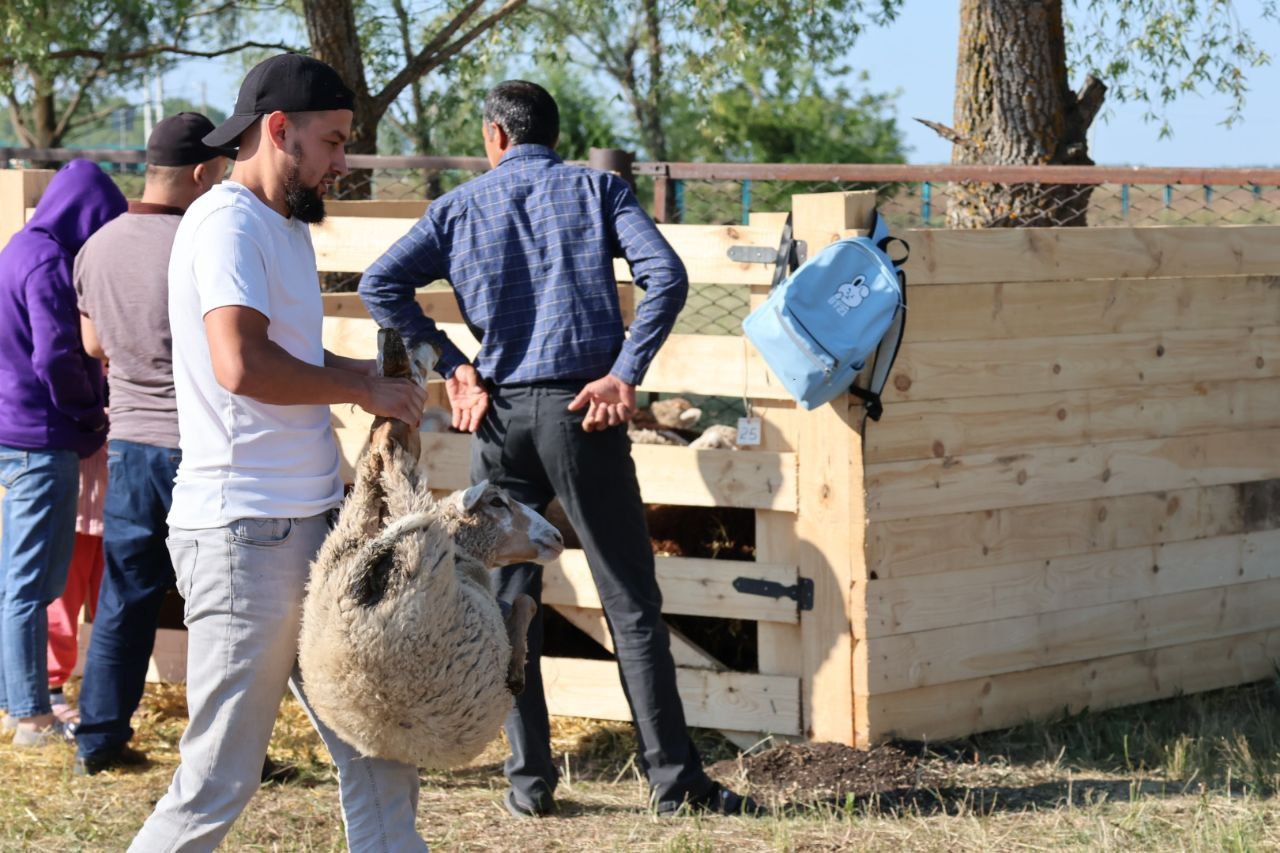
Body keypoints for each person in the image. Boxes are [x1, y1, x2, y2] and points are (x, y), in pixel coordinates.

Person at [360, 80, 760, 818]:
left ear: (495, 136)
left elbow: (381, 283)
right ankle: (675, 782)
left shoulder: (456, 208)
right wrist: (625, 373)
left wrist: (454, 365)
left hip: (500, 416)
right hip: (586, 415)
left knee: (510, 598)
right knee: (630, 600)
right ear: (551, 133)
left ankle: (529, 782)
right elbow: (666, 277)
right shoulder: (598, 189)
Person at [127, 54, 428, 852]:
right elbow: (242, 365)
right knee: (219, 777)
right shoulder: (225, 223)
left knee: (379, 742)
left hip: (309, 521)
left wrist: (366, 377)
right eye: (331, 143)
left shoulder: (282, 226)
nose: (341, 163)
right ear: (278, 130)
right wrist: (360, 393)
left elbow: (284, 352)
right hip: (243, 533)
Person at [71, 112, 232, 775]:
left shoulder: (98, 244)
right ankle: (222, 750)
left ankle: (99, 738)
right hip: (201, 444)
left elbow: (93, 345)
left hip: (132, 442)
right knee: (225, 603)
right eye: (221, 169)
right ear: (201, 172)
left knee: (125, 593)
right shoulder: (205, 241)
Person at [0, 160, 126, 746]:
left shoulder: (16, 248)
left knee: (23, 578)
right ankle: (31, 716)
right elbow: (55, 355)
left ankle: (13, 698)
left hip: (13, 428)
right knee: (32, 582)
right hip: (43, 437)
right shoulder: (50, 262)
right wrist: (89, 413)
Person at [45, 443, 108, 730]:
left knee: (114, 606)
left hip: (117, 501)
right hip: (73, 499)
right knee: (60, 603)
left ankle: (114, 692)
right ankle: (52, 690)